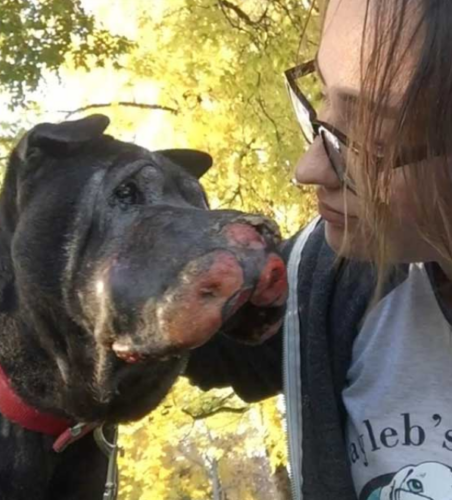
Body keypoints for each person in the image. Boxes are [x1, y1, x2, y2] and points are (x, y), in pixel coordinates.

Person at [185, 1, 452, 499]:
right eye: (322, 100)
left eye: (372, 136)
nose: (307, 170)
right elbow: (211, 345)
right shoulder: (332, 276)